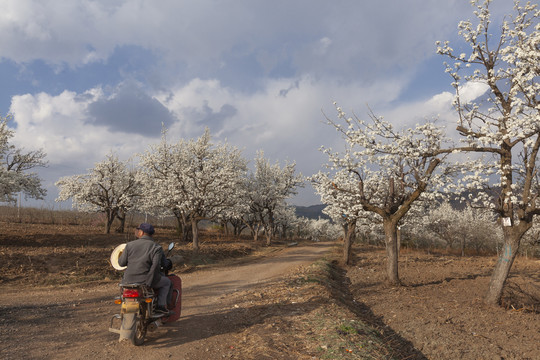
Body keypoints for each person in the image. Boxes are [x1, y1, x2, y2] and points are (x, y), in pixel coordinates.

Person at [118, 223, 172, 314]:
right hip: (146, 281)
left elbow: (121, 263)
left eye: (137, 230)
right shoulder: (156, 247)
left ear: (141, 232)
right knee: (167, 282)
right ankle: (161, 306)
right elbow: (158, 265)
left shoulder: (129, 245)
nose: (136, 232)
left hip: (127, 280)